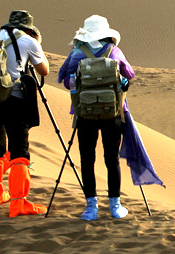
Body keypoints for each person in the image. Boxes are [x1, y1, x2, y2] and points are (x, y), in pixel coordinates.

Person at [57, 14, 135, 220]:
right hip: (112, 114)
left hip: (84, 114)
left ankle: (91, 208)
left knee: (87, 160)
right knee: (111, 159)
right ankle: (115, 206)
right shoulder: (114, 51)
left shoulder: (76, 53)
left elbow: (64, 80)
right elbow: (130, 74)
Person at [0, 10, 50, 217]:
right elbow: (43, 70)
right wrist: (37, 45)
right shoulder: (29, 41)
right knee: (19, 149)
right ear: (28, 28)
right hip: (14, 99)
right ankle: (19, 202)